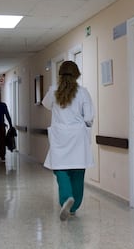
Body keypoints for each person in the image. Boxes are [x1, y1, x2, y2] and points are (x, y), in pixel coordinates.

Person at [42, 61, 94, 221]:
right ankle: (74, 206)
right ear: (77, 74)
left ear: (60, 75)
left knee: (60, 170)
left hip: (60, 136)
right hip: (78, 136)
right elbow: (89, 117)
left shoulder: (53, 91)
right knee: (78, 172)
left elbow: (46, 105)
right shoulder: (83, 92)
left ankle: (66, 198)